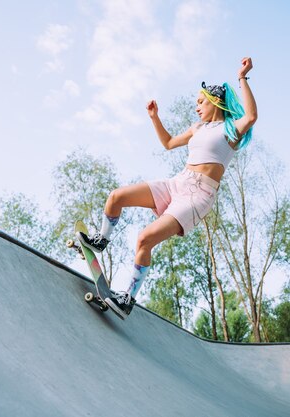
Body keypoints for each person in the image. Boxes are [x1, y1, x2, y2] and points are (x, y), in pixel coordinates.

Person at [78, 57, 258, 320]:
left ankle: (127, 298)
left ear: (215, 102)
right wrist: (154, 117)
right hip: (178, 183)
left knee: (144, 239)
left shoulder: (230, 130)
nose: (196, 107)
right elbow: (169, 143)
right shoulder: (198, 128)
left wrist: (242, 77)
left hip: (198, 196)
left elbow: (251, 116)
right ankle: (100, 240)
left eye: (200, 102)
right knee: (116, 197)